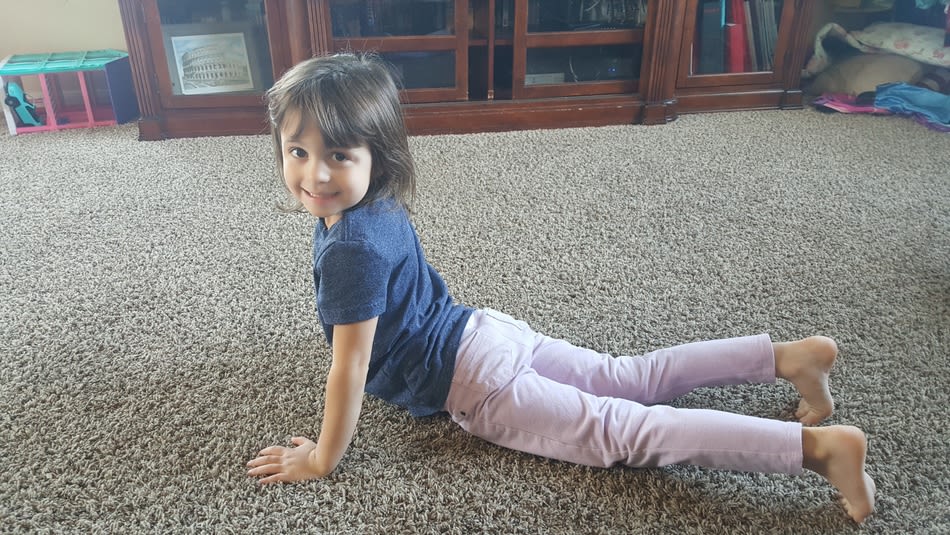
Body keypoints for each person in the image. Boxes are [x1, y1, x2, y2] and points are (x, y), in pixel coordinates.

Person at [245, 53, 876, 524]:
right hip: (484, 332)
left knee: (623, 429)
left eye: (338, 155)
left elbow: (349, 366)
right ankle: (787, 358)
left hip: (476, 382)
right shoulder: (374, 202)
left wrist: (321, 458)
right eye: (297, 152)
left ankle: (818, 451)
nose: (315, 175)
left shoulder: (350, 249)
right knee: (633, 376)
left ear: (377, 158)